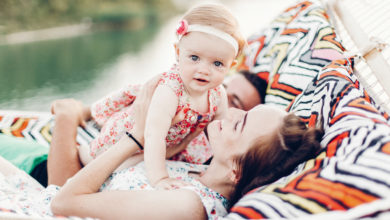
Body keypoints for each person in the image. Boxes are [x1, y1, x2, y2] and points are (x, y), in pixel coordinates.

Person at [0, 73, 323, 219]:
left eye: (240, 123)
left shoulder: (187, 205)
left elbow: (64, 200)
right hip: (36, 197)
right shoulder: (191, 172)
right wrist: (156, 134)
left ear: (237, 169)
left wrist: (135, 138)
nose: (231, 111)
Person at [76, 4, 247, 189]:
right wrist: (160, 179)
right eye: (195, 58)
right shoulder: (171, 91)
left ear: (231, 66)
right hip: (135, 137)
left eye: (217, 63)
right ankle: (85, 153)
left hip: (172, 145)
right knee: (109, 166)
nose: (204, 70)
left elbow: (218, 135)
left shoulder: (218, 94)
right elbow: (153, 135)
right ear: (178, 52)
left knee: (174, 160)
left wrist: (228, 164)